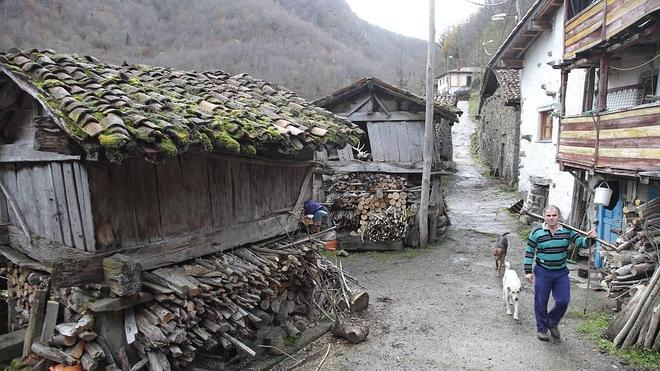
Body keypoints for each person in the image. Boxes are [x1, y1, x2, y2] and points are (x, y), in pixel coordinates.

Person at [524, 205, 597, 341]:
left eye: (554, 215)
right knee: (540, 302)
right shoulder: (537, 232)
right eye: (548, 215)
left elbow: (581, 243)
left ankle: (552, 322)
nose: (551, 218)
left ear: (559, 216)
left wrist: (590, 239)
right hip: (543, 271)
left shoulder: (567, 231)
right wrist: (528, 271)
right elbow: (529, 252)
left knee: (563, 300)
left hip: (561, 272)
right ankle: (542, 329)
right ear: (544, 217)